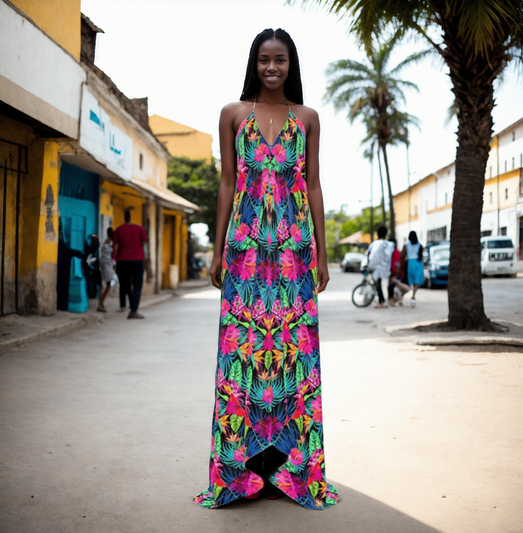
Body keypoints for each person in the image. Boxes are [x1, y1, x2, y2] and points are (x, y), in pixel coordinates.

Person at [194, 28, 340, 510]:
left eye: (280, 60)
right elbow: (227, 185)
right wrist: (216, 251)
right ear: (253, 64)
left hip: (295, 256)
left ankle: (289, 472)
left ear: (291, 64)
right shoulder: (234, 115)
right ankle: (243, 473)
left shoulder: (309, 118)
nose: (272, 68)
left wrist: (321, 250)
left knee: (295, 360)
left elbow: (313, 186)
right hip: (245, 255)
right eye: (263, 60)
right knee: (244, 358)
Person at [113, 211, 147, 319]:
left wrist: (113, 259)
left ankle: (127, 307)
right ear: (130, 217)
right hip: (137, 260)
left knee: (126, 286)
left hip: (122, 261)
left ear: (124, 217)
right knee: (137, 287)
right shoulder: (139, 228)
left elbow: (113, 245)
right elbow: (144, 240)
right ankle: (133, 311)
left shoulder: (118, 229)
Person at [366, 226, 393, 308]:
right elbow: (389, 257)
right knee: (380, 283)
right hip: (385, 267)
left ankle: (381, 301)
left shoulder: (374, 244)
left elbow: (370, 255)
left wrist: (369, 265)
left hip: (376, 267)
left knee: (377, 284)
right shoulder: (389, 244)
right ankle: (382, 301)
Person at [401, 230, 424, 307]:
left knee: (410, 282)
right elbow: (421, 256)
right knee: (416, 282)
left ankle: (409, 297)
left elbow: (402, 257)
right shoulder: (419, 245)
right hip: (418, 264)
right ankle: (413, 296)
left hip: (410, 264)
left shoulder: (406, 245)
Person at [97, 227, 115, 312]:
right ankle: (100, 304)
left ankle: (101, 304)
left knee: (102, 284)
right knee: (109, 284)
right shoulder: (110, 243)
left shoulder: (106, 241)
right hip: (107, 265)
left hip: (103, 263)